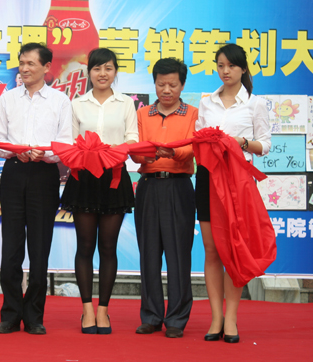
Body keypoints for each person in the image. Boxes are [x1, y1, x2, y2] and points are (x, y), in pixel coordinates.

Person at [0, 42, 73, 335]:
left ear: (46, 67)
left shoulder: (60, 101)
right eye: (21, 63)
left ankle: (34, 316)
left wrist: (44, 153)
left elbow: (64, 144)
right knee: (11, 248)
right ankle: (10, 314)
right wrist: (17, 151)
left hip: (44, 175)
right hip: (14, 172)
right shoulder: (8, 99)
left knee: (40, 248)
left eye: (30, 63)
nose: (24, 68)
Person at [195, 43, 271, 343]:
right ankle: (215, 317)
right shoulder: (207, 103)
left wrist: (242, 143)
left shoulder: (255, 104)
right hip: (207, 177)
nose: (225, 71)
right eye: (220, 66)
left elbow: (265, 145)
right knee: (212, 250)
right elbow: (198, 139)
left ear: (243, 69)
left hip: (238, 181)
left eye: (231, 66)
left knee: (234, 250)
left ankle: (231, 318)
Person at [60, 48, 138, 334]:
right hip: (84, 179)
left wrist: (110, 150)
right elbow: (69, 143)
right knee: (84, 246)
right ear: (89, 72)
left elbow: (132, 140)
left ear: (115, 71)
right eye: (97, 68)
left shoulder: (126, 103)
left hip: (114, 178)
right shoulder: (77, 104)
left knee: (108, 247)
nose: (102, 74)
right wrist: (87, 152)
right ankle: (87, 310)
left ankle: (103, 310)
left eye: (108, 68)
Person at [131, 58, 198, 339]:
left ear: (182, 85)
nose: (166, 90)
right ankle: (151, 316)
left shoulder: (193, 113)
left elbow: (194, 146)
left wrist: (174, 152)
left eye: (172, 84)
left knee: (178, 254)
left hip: (179, 186)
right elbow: (134, 148)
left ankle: (177, 319)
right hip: (148, 186)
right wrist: (144, 155)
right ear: (154, 84)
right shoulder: (142, 113)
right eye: (161, 84)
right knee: (149, 253)